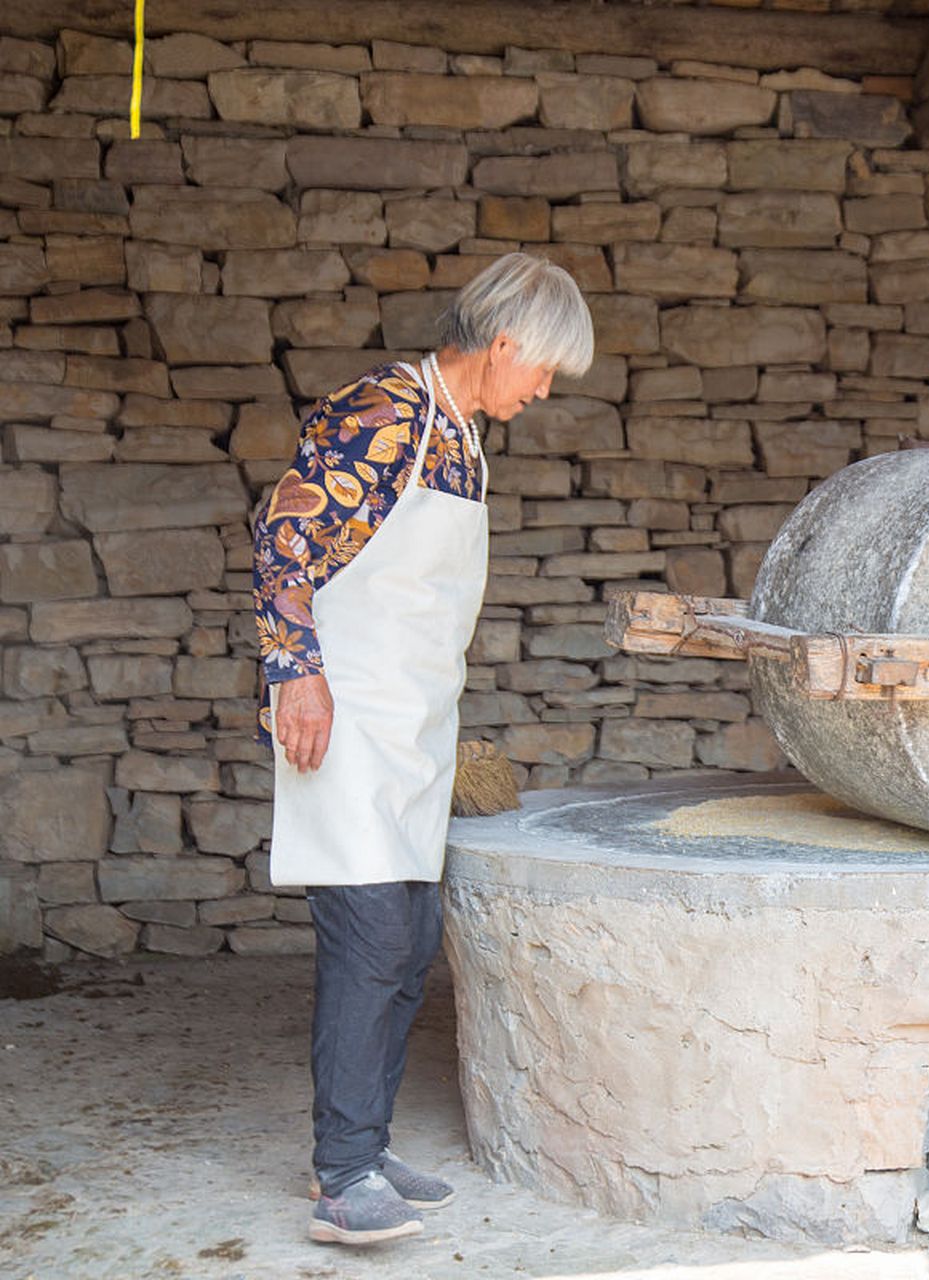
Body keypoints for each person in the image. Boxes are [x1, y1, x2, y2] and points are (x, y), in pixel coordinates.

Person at [252, 253, 594, 1245]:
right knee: (366, 944)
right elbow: (283, 540)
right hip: (346, 719)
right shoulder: (382, 417)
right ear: (505, 344)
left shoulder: (460, 438)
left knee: (406, 944)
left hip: (412, 732)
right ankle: (341, 1170)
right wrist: (295, 673)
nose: (541, 392)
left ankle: (366, 1139)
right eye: (541, 372)